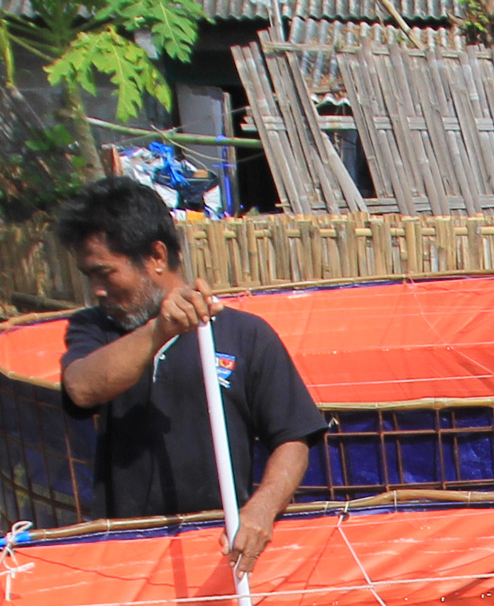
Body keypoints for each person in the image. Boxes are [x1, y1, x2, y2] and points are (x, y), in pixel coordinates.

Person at [52, 176, 324, 561]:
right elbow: (82, 388)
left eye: (105, 273)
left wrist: (261, 509)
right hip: (128, 552)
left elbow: (293, 437)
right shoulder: (95, 329)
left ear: (157, 256)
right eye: (89, 276)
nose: (96, 289)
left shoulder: (244, 335)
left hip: (219, 546)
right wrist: (159, 331)